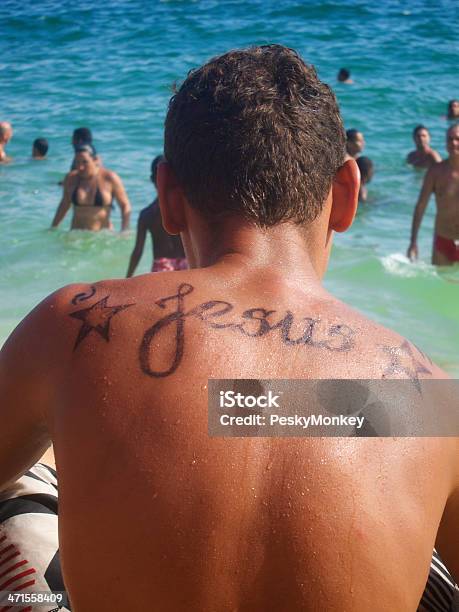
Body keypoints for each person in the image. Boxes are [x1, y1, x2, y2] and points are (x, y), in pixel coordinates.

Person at [0, 45, 458, 611]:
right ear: (346, 195)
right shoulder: (425, 397)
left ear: (167, 196)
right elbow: (254, 412)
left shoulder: (71, 325)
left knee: (25, 488)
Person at [126, 155, 187, 277]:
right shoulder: (186, 209)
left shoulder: (147, 214)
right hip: (187, 264)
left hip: (162, 268)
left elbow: (138, 251)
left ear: (152, 179)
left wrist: (127, 278)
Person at [407, 123, 459, 265]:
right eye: (450, 139)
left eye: (457, 139)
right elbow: (421, 206)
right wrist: (413, 241)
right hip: (443, 241)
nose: (453, 143)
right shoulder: (435, 172)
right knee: (441, 284)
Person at [51, 143, 131, 231]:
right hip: (76, 237)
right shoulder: (71, 178)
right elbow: (64, 204)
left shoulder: (109, 178)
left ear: (95, 160)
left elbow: (125, 205)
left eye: (85, 162)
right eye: (77, 162)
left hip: (103, 237)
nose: (80, 167)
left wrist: (125, 230)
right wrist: (53, 227)